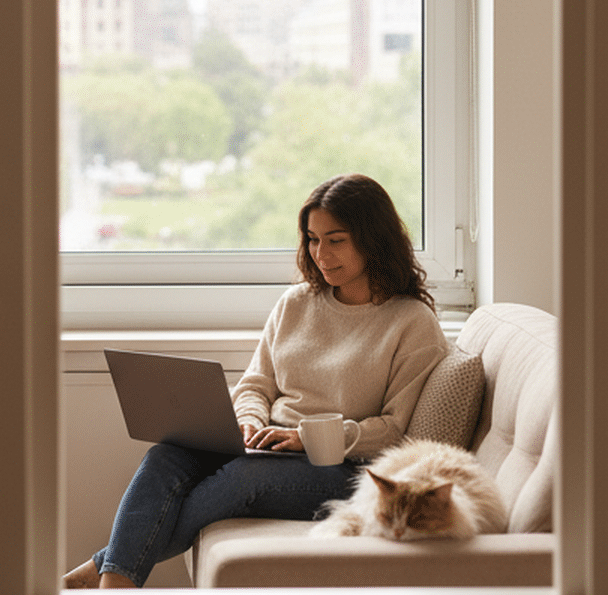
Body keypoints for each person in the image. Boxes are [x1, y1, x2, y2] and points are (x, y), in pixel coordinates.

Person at [62, 173, 449, 589]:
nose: (321, 253)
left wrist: (307, 437)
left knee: (241, 478)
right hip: (266, 443)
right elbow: (255, 384)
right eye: (313, 239)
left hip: (339, 467)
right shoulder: (297, 303)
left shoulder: (411, 322)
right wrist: (247, 421)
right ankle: (115, 583)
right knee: (166, 456)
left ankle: (105, 569)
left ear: (373, 239)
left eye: (336, 240)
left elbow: (396, 431)